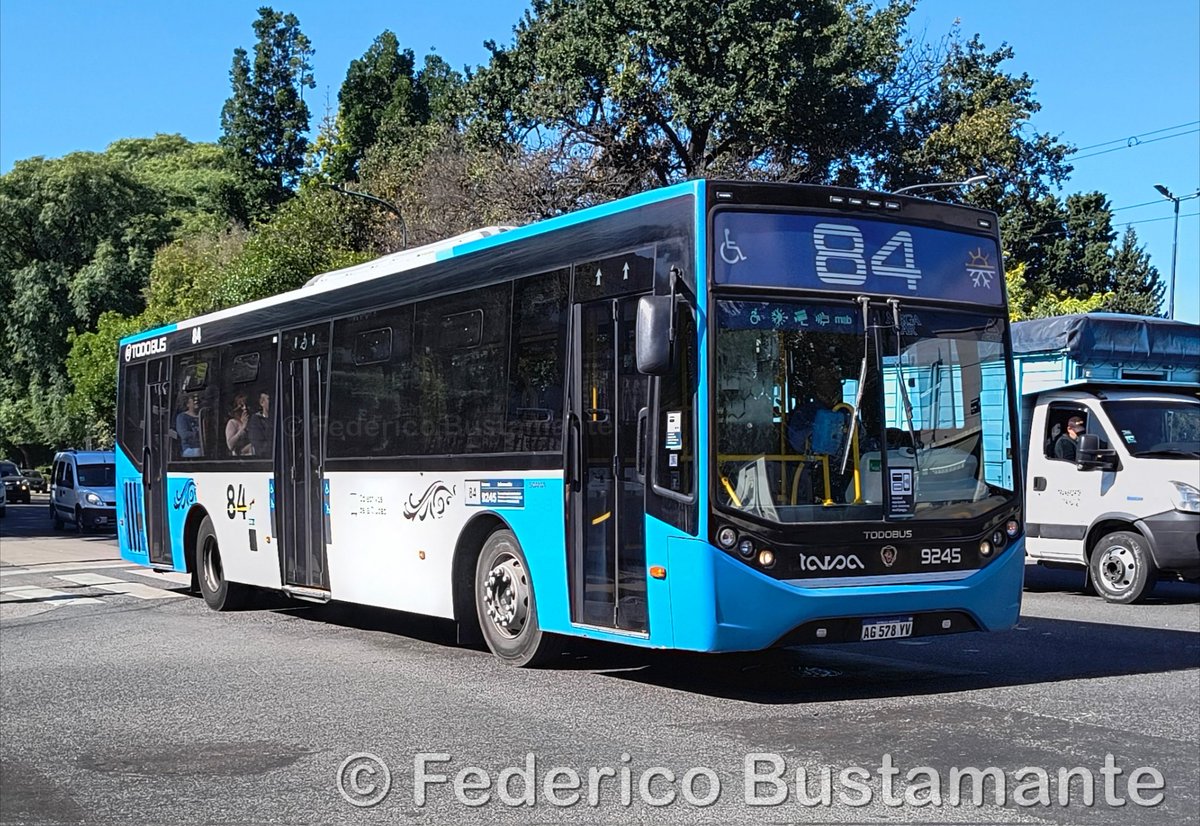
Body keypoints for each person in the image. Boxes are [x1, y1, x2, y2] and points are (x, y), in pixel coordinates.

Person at [248, 392, 272, 457]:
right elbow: (259, 446)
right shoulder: (256, 421)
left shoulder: (281, 419)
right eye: (269, 399)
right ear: (262, 403)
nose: (273, 402)